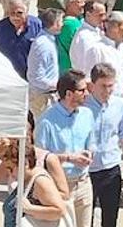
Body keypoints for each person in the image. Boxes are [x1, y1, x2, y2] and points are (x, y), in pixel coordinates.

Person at [35, 70, 97, 227]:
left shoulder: (87, 114)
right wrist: (69, 158)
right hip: (58, 186)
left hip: (83, 183)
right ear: (69, 94)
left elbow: (91, 143)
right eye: (82, 90)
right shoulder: (47, 121)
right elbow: (38, 157)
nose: (87, 94)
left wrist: (89, 153)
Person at [0, 136, 72, 227]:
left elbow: (59, 211)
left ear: (25, 163)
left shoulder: (40, 181)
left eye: (11, 168)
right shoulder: (26, 180)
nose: (9, 173)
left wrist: (30, 209)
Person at [86, 62, 123, 227]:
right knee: (85, 219)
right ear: (92, 85)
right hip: (87, 170)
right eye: (103, 86)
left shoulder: (120, 105)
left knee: (110, 218)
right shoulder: (82, 106)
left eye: (110, 86)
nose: (107, 90)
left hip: (111, 168)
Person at [0, 0, 43, 77]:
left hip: (31, 75)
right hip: (7, 75)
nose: (15, 17)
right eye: (12, 13)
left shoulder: (37, 25)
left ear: (26, 13)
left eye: (19, 13)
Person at [27, 8, 63, 117]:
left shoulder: (48, 41)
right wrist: (56, 85)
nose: (62, 24)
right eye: (61, 21)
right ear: (55, 23)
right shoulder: (43, 45)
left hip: (48, 95)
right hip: (42, 97)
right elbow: (36, 77)